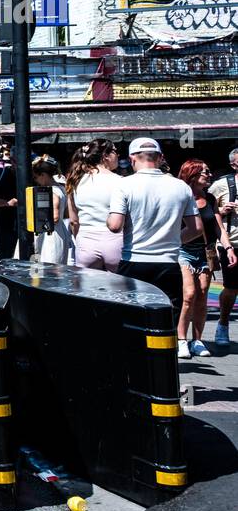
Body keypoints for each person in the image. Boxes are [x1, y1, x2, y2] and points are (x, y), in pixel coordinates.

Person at [106, 138, 202, 359]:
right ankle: (163, 374)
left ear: (132, 159)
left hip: (134, 261)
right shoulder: (180, 186)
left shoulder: (124, 184)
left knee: (131, 322)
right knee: (164, 324)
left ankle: (135, 373)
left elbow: (114, 225)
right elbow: (196, 228)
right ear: (160, 158)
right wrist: (174, 240)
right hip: (168, 263)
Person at [178, 159, 234, 357]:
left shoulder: (210, 198)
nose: (210, 175)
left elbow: (218, 226)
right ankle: (181, 340)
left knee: (202, 295)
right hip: (183, 251)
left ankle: (198, 340)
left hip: (206, 252)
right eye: (206, 172)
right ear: (192, 175)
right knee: (189, 295)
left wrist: (228, 248)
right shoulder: (181, 196)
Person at [67, 138, 123, 271]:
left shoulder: (75, 181)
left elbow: (74, 221)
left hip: (86, 240)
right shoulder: (121, 182)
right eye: (115, 151)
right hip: (115, 241)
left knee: (88, 289)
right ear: (106, 156)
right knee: (119, 288)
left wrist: (80, 239)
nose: (118, 155)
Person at [208, 146, 238, 348]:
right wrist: (221, 209)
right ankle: (223, 323)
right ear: (234, 164)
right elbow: (205, 208)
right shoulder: (221, 185)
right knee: (232, 288)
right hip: (232, 243)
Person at [31, 155, 71, 265]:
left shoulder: (51, 191)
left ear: (43, 175)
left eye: (36, 177)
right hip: (59, 232)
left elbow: (55, 217)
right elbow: (66, 213)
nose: (36, 181)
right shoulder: (61, 188)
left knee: (47, 269)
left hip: (50, 236)